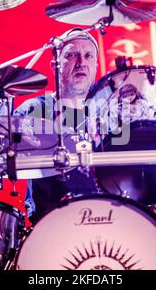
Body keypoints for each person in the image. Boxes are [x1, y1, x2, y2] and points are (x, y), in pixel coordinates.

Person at [15, 28, 100, 223]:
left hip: (104, 219)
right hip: (49, 223)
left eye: (88, 56)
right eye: (72, 55)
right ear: (55, 65)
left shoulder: (107, 112)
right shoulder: (34, 109)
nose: (82, 63)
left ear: (96, 65)